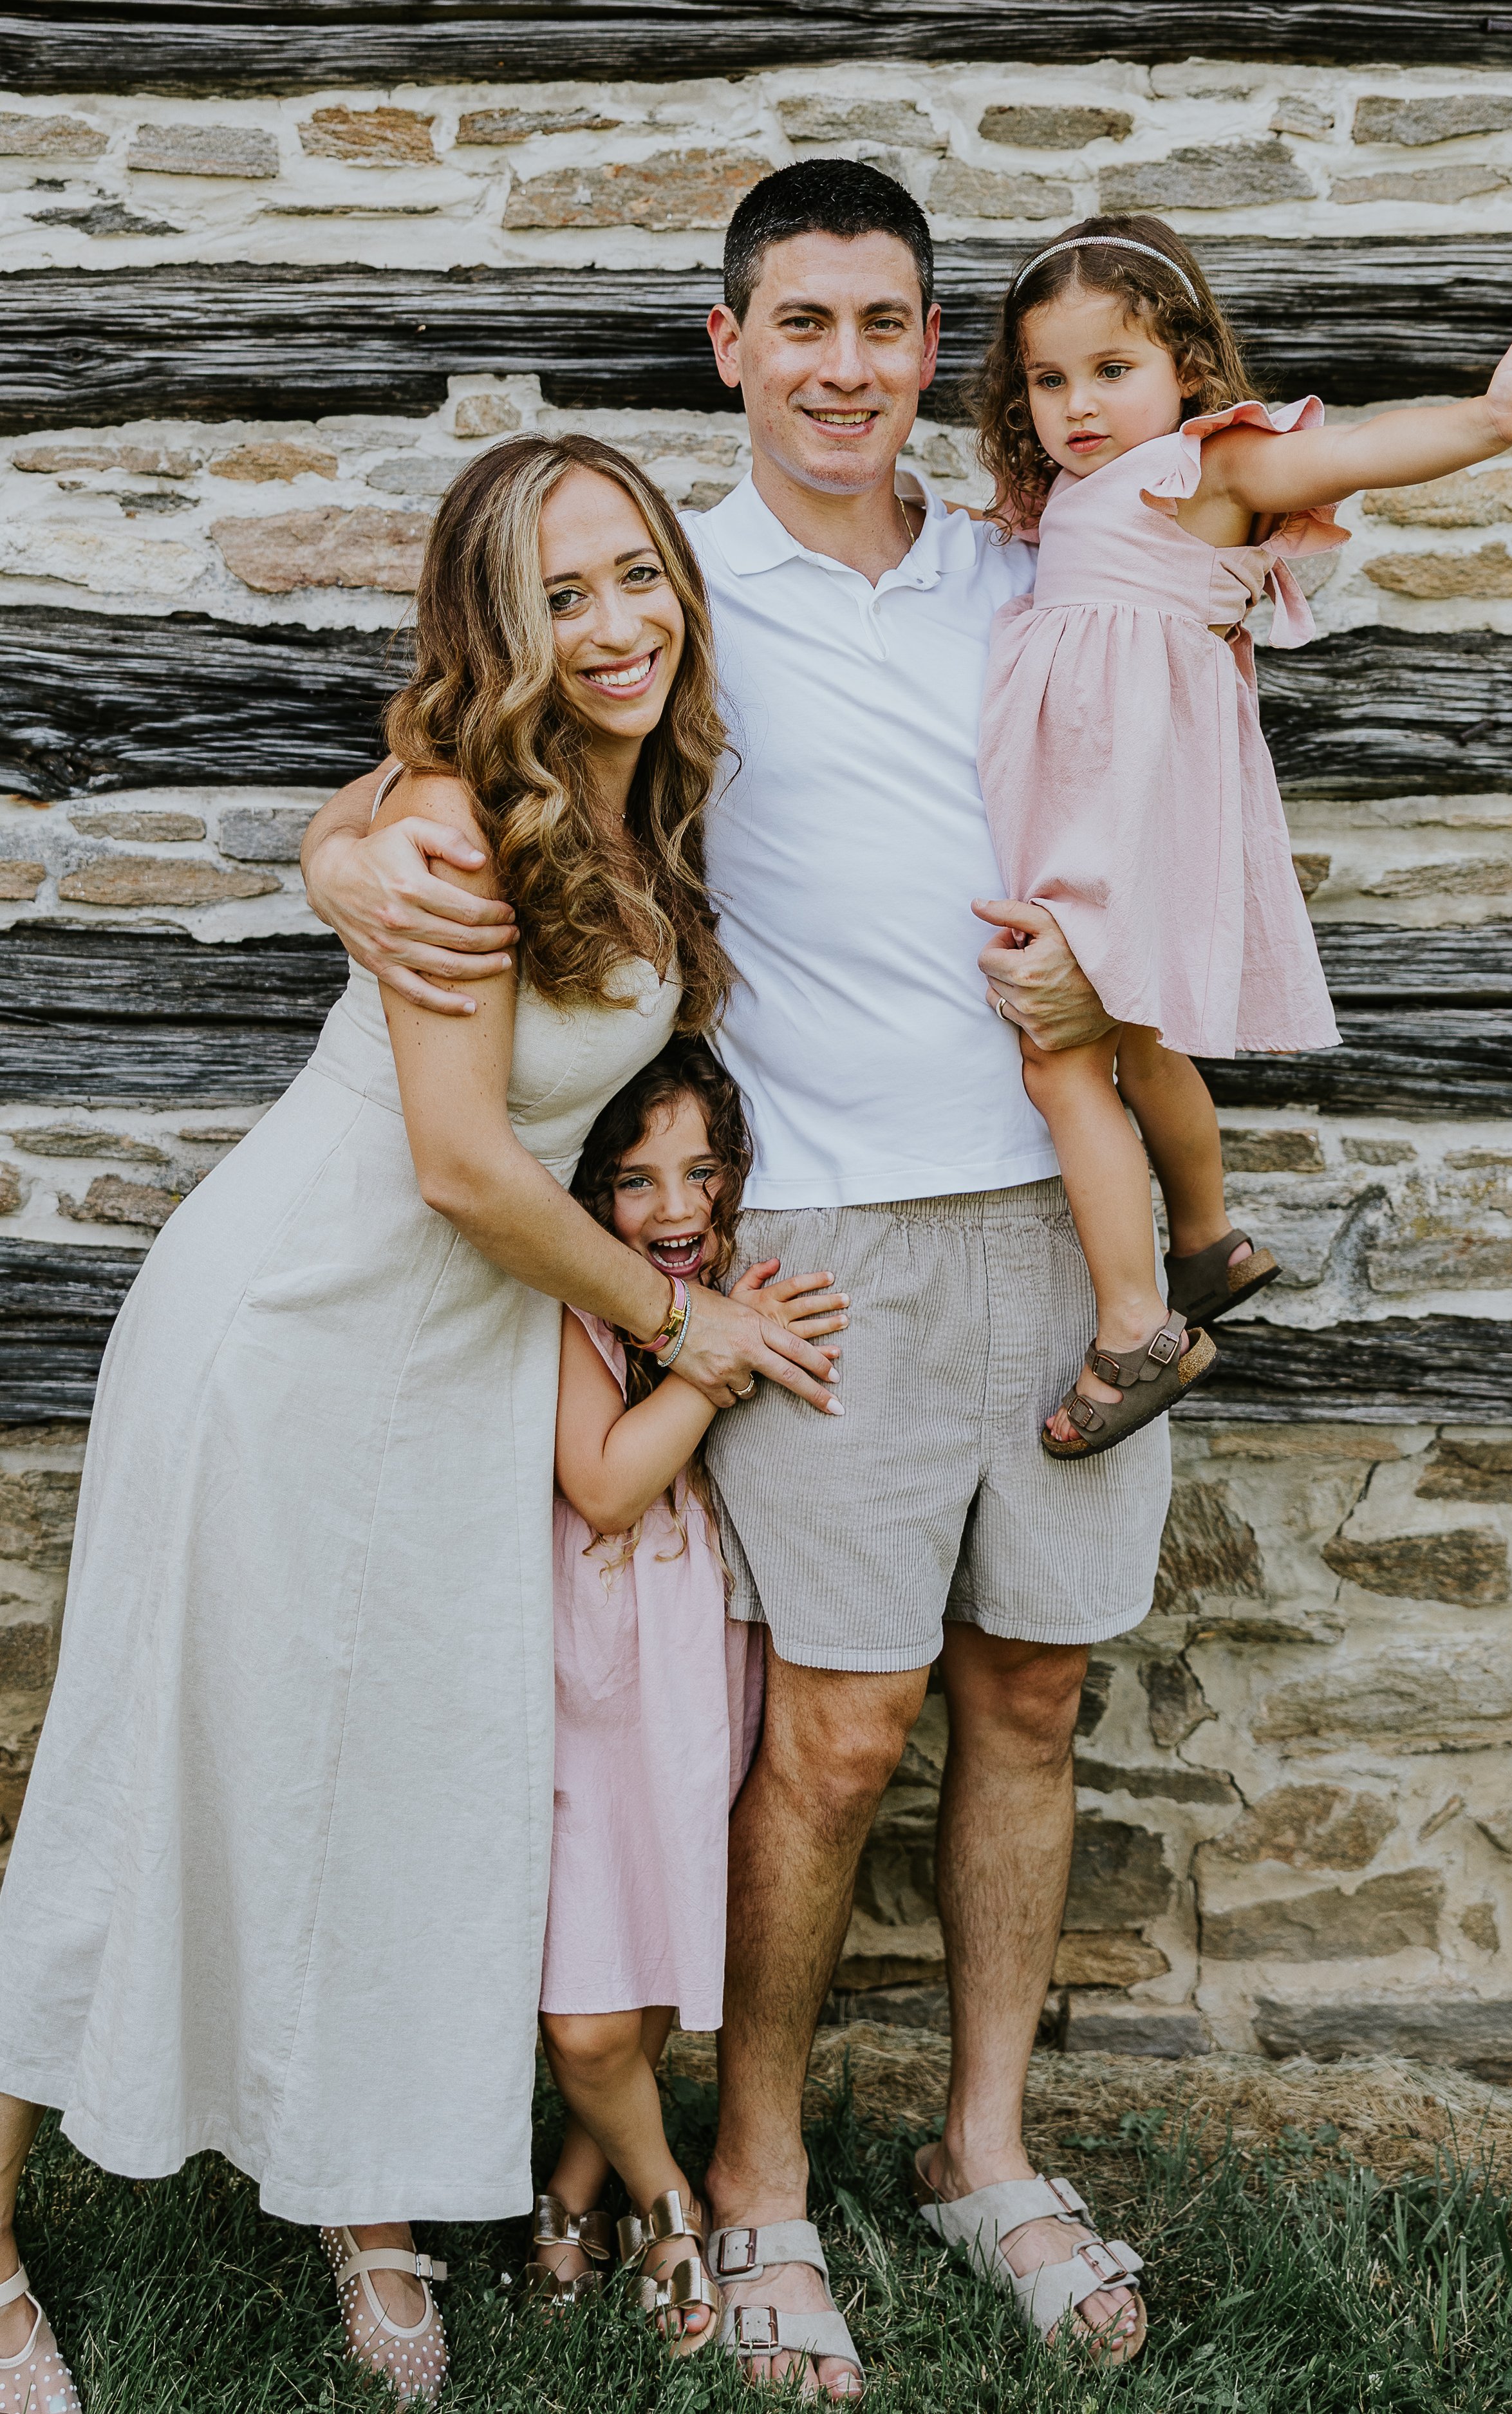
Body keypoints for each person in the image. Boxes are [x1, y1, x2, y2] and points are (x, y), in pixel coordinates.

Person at [302, 160, 1168, 2389]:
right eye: (804, 324)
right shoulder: (677, 591)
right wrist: (334, 852)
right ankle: (763, 2176)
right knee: (841, 1726)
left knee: (1032, 1697)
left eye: (888, 325)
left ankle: (986, 2146)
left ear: (933, 348)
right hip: (831, 1236)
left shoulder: (1033, 561)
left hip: (1069, 1211)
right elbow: (459, 738)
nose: (849, 367)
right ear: (732, 347)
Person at [0, 433, 839, 2411]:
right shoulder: (455, 819)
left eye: (637, 572)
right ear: (496, 624)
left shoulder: (639, 801)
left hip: (453, 1361)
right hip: (289, 1333)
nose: (618, 620)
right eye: (564, 594)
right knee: (147, 1782)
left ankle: (363, 2197)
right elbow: (467, 1165)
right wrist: (684, 1320)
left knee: (407, 1778)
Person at [971, 212, 1512, 1463]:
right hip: (1118, 802)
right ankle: (1204, 1243)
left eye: (1110, 369)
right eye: (1047, 378)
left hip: (1120, 818)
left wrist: (1488, 422)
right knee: (1132, 1043)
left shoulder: (1204, 469)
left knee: (1056, 1056)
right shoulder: (1086, 496)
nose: (1076, 404)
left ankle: (1136, 1323)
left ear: (1185, 369)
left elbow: (1347, 457)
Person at [531, 1038, 846, 2356]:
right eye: (633, 1180)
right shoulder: (561, 1306)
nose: (673, 1210)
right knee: (585, 2014)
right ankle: (669, 2202)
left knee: (659, 1937)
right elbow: (604, 1486)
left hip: (688, 1668)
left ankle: (575, 2182)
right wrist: (720, 1360)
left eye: (700, 1172)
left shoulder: (719, 1283)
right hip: (583, 1682)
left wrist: (737, 1325)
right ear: (582, 1191)